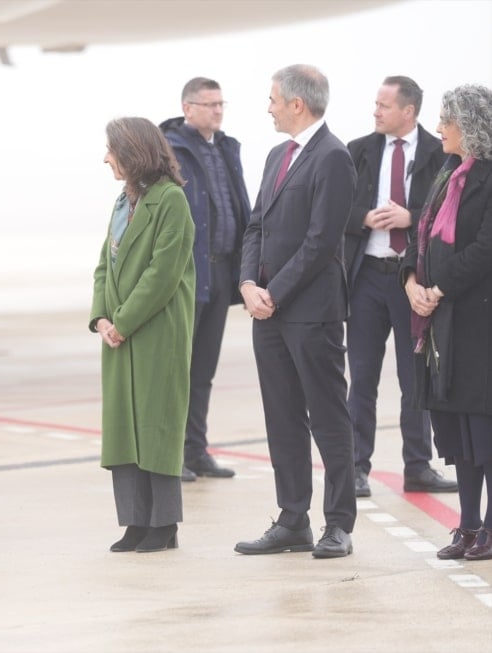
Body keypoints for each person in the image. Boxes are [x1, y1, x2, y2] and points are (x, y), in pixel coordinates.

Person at [235, 65, 357, 559]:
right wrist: (248, 284)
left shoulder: (334, 157)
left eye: (273, 99)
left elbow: (321, 242)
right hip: (269, 313)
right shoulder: (276, 156)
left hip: (311, 312)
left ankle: (339, 525)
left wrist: (274, 292)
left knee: (328, 418)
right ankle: (292, 520)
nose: (268, 107)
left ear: (297, 104)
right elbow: (255, 226)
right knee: (282, 417)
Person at [344, 76, 455, 498]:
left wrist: (411, 217)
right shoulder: (358, 150)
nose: (375, 111)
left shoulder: (438, 153)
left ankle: (418, 467)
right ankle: (356, 467)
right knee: (362, 377)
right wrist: (363, 217)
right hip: (367, 278)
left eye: (384, 105)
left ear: (408, 111)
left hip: (412, 281)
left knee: (415, 378)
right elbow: (334, 208)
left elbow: (448, 210)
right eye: (376, 104)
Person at [90, 117, 195, 554]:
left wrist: (124, 321)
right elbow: (104, 265)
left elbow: (163, 273)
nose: (106, 158)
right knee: (124, 428)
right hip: (119, 332)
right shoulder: (123, 201)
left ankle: (163, 523)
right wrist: (101, 318)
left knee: (156, 426)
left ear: (133, 152)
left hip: (155, 331)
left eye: (111, 149)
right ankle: (135, 521)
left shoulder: (171, 200)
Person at [402, 84, 492, 561]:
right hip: (442, 327)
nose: (438, 127)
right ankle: (469, 525)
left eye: (446, 120)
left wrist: (438, 288)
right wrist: (411, 282)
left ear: (470, 126)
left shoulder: (489, 176)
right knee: (457, 432)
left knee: (484, 431)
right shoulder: (447, 171)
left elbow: (485, 249)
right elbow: (419, 235)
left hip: (478, 325)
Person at [160, 77, 251, 482]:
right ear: (188, 108)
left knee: (203, 371)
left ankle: (196, 451)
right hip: (187, 273)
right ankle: (170, 455)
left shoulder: (227, 148)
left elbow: (238, 206)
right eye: (209, 104)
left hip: (221, 270)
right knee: (176, 370)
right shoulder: (170, 150)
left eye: (221, 104)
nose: (217, 111)